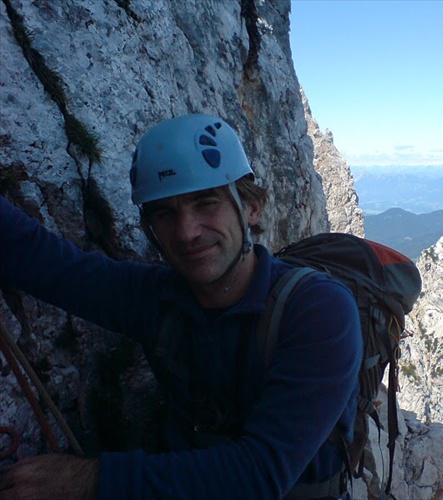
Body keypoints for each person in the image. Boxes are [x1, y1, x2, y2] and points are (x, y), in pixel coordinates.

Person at [0, 114, 363, 499]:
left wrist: (87, 479)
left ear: (251, 207)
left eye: (205, 203)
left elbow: (260, 473)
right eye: (165, 213)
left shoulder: (318, 310)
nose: (187, 232)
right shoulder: (157, 298)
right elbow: (51, 265)